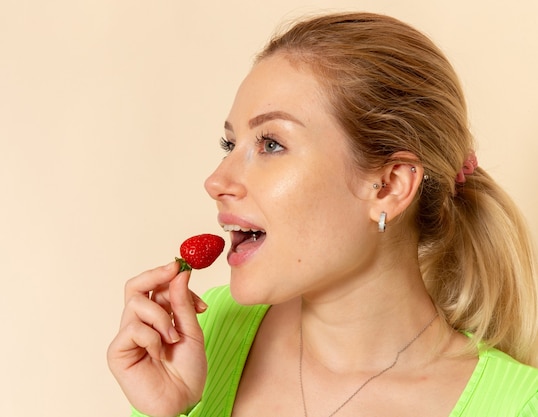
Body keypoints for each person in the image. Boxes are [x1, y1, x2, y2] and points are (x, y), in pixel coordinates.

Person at [107, 12, 538, 417]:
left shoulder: (519, 405)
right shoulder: (204, 330)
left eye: (271, 144)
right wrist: (166, 410)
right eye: (230, 145)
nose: (216, 181)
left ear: (388, 186)